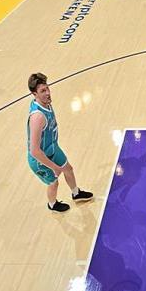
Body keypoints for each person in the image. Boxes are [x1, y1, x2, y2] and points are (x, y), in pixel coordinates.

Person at [27, 72, 93, 212]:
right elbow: (34, 150)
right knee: (54, 182)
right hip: (40, 159)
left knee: (68, 169)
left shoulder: (46, 104)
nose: (47, 93)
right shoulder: (37, 117)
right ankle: (52, 204)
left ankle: (76, 193)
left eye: (47, 88)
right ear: (34, 94)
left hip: (52, 147)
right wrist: (53, 167)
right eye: (42, 91)